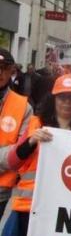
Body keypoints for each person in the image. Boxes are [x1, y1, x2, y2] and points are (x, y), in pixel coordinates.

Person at [5, 74, 71, 236]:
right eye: (62, 97)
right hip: (32, 207)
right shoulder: (36, 124)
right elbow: (12, 161)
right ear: (54, 99)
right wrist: (31, 141)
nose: (67, 103)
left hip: (68, 209)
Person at [0, 49, 33, 218]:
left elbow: (19, 150)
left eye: (4, 68)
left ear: (12, 71)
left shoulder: (24, 107)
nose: (0, 72)